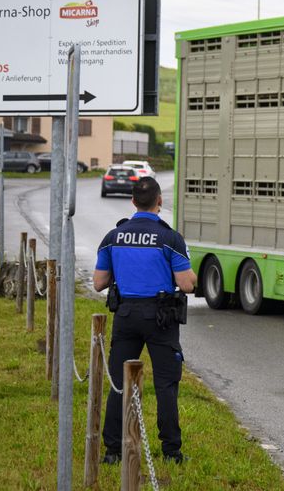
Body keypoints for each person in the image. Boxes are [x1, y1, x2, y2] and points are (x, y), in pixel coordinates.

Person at [92, 176, 197, 465]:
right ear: (159, 201)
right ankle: (171, 452)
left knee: (119, 382)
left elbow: (99, 282)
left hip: (125, 316)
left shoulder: (114, 237)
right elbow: (187, 284)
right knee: (166, 384)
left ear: (133, 201)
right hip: (161, 317)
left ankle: (113, 450)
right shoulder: (170, 238)